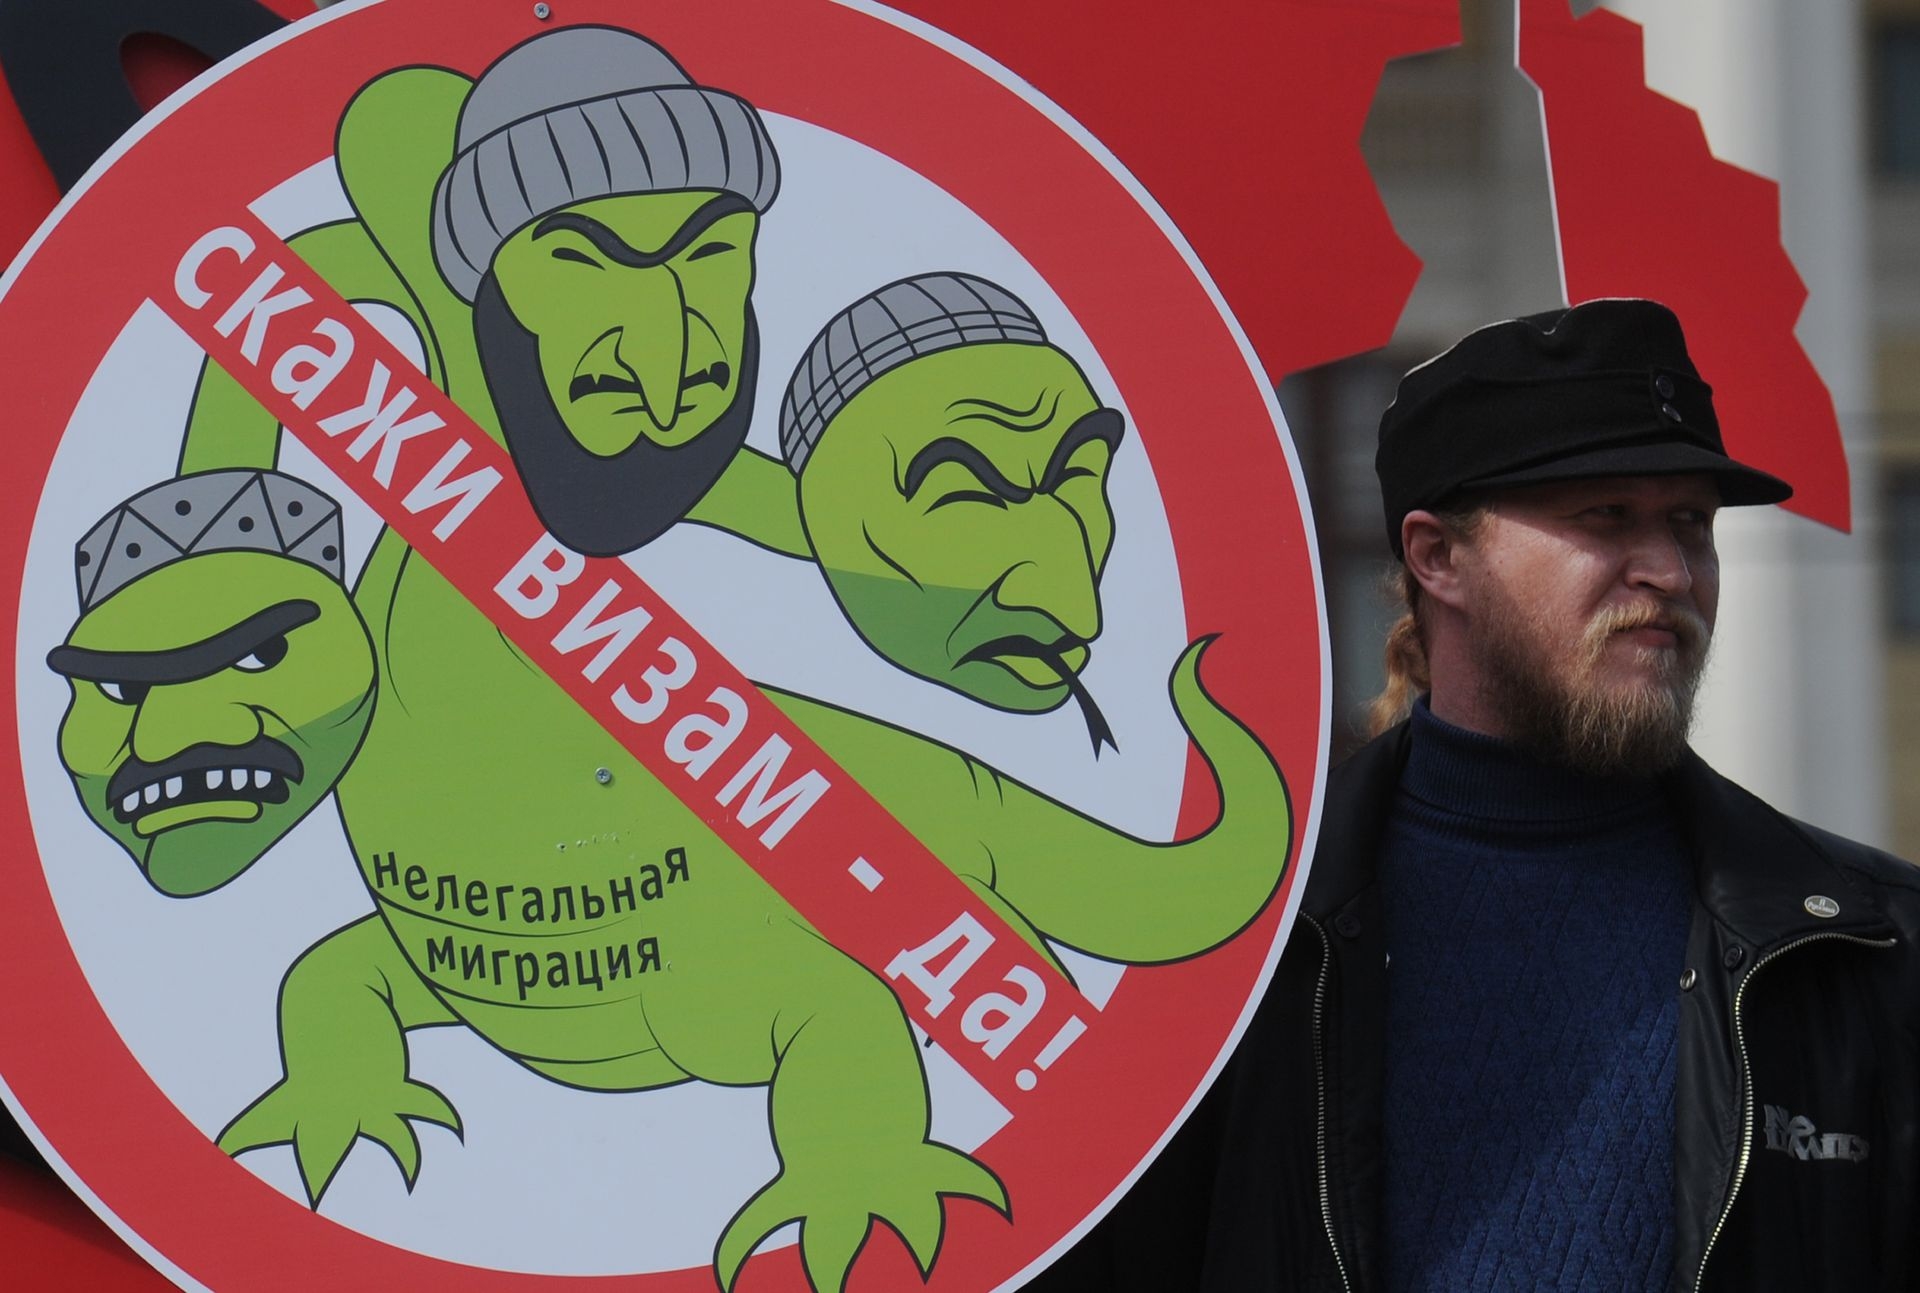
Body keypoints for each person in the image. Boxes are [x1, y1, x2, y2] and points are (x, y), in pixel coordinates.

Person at [1030, 297, 1920, 1292]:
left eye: (1690, 525)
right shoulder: (1229, 938)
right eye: (1607, 517)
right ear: (1437, 557)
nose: (1670, 570)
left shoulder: (1867, 954)